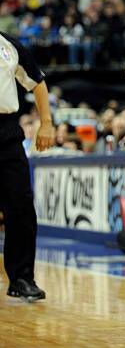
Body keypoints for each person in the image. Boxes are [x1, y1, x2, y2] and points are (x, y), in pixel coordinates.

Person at [0, 32, 55, 300]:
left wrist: (46, 123)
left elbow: (37, 82)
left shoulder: (8, 44)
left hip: (6, 132)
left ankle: (22, 277)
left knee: (20, 206)